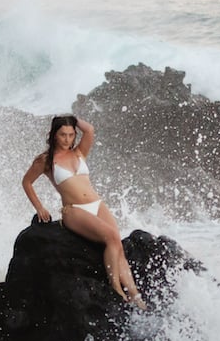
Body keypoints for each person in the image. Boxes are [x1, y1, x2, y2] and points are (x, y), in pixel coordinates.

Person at [22, 115, 145, 309]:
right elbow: (26, 182)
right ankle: (116, 288)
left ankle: (135, 294)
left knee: (117, 244)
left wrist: (72, 119)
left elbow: (90, 130)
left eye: (71, 135)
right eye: (63, 135)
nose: (67, 139)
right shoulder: (46, 160)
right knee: (112, 238)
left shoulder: (79, 152)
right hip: (73, 210)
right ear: (54, 135)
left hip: (96, 204)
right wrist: (40, 207)